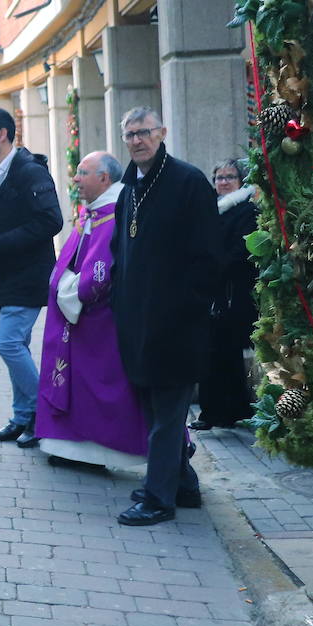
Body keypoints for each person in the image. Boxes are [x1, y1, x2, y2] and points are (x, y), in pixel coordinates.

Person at [111, 108, 223, 526]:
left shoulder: (188, 182)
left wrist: (187, 308)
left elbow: (210, 257)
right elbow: (121, 253)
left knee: (167, 413)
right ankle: (184, 486)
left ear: (162, 133)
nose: (137, 141)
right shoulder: (129, 189)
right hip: (138, 323)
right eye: (130, 135)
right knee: (157, 413)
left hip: (176, 325)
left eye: (144, 133)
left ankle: (158, 499)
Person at [35, 152, 147, 470]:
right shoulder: (93, 212)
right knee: (80, 385)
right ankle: (74, 448)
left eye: (83, 172)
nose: (76, 179)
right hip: (81, 319)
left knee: (101, 386)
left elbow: (100, 272)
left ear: (104, 179)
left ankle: (103, 452)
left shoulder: (114, 214)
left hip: (100, 321)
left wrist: (72, 291)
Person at [0, 107, 63, 448]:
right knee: (16, 345)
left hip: (28, 276)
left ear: (2, 134)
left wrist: (1, 242)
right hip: (3, 277)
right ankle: (21, 417)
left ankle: (43, 413)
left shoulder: (29, 170)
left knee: (7, 343)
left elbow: (52, 221)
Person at [192, 158, 258, 430]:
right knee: (215, 352)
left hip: (233, 292)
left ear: (240, 181)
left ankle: (220, 412)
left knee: (224, 352)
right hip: (213, 292)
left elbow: (241, 251)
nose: (223, 182)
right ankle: (223, 411)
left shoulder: (247, 211)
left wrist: (213, 265)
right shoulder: (212, 210)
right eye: (219, 177)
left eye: (229, 176)